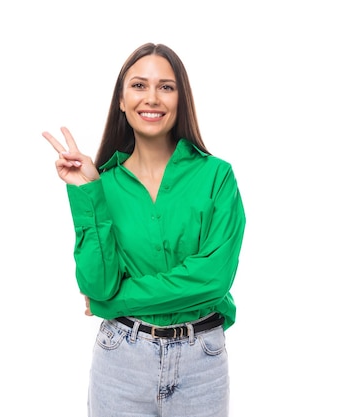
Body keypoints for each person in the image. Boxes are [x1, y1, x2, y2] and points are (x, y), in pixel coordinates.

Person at [42, 42, 246, 417]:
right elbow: (97, 284)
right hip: (121, 360)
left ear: (180, 99)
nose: (152, 98)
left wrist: (113, 302)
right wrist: (87, 192)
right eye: (139, 85)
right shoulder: (103, 184)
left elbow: (212, 280)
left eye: (166, 87)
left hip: (202, 362)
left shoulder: (217, 177)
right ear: (121, 100)